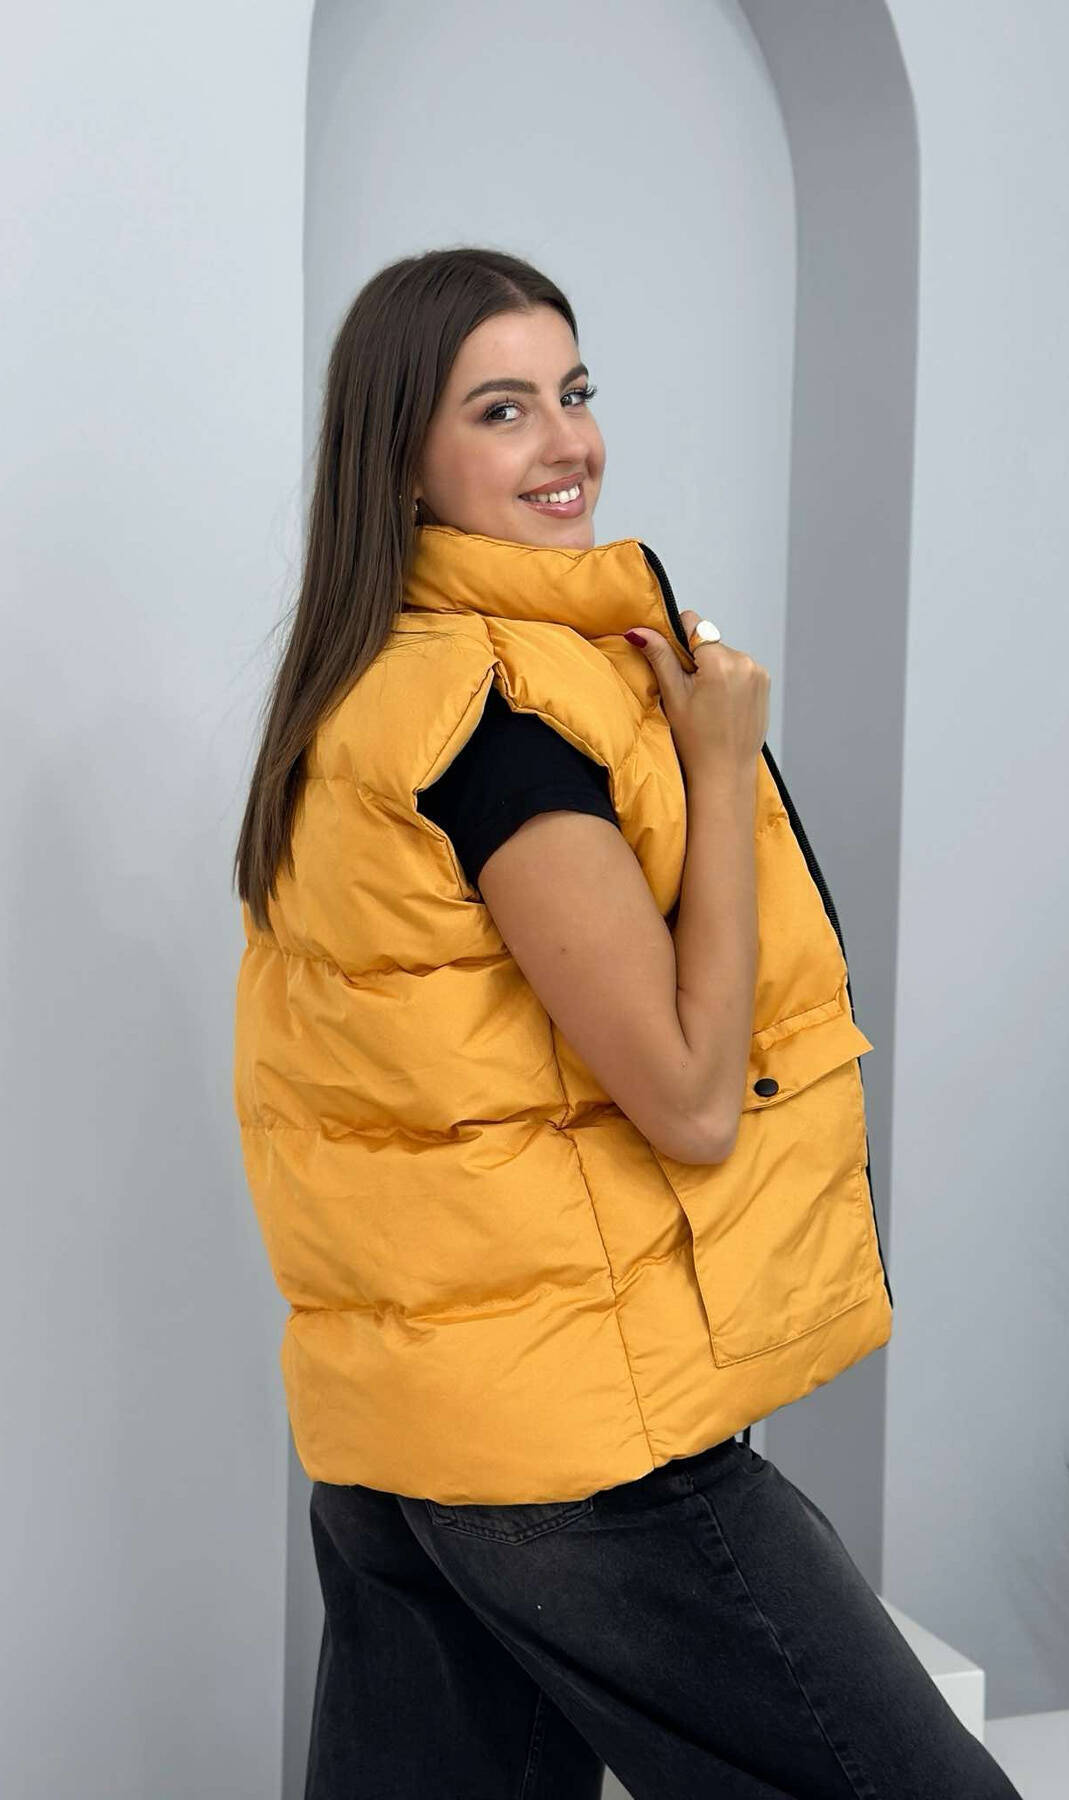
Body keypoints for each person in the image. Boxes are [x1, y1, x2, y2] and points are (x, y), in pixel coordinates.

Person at [232, 248, 1022, 1798]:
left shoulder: (356, 693)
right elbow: (691, 1098)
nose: (567, 443)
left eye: (574, 392)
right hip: (573, 1454)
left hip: (403, 1442)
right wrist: (719, 767)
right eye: (503, 409)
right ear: (401, 461)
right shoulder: (496, 721)